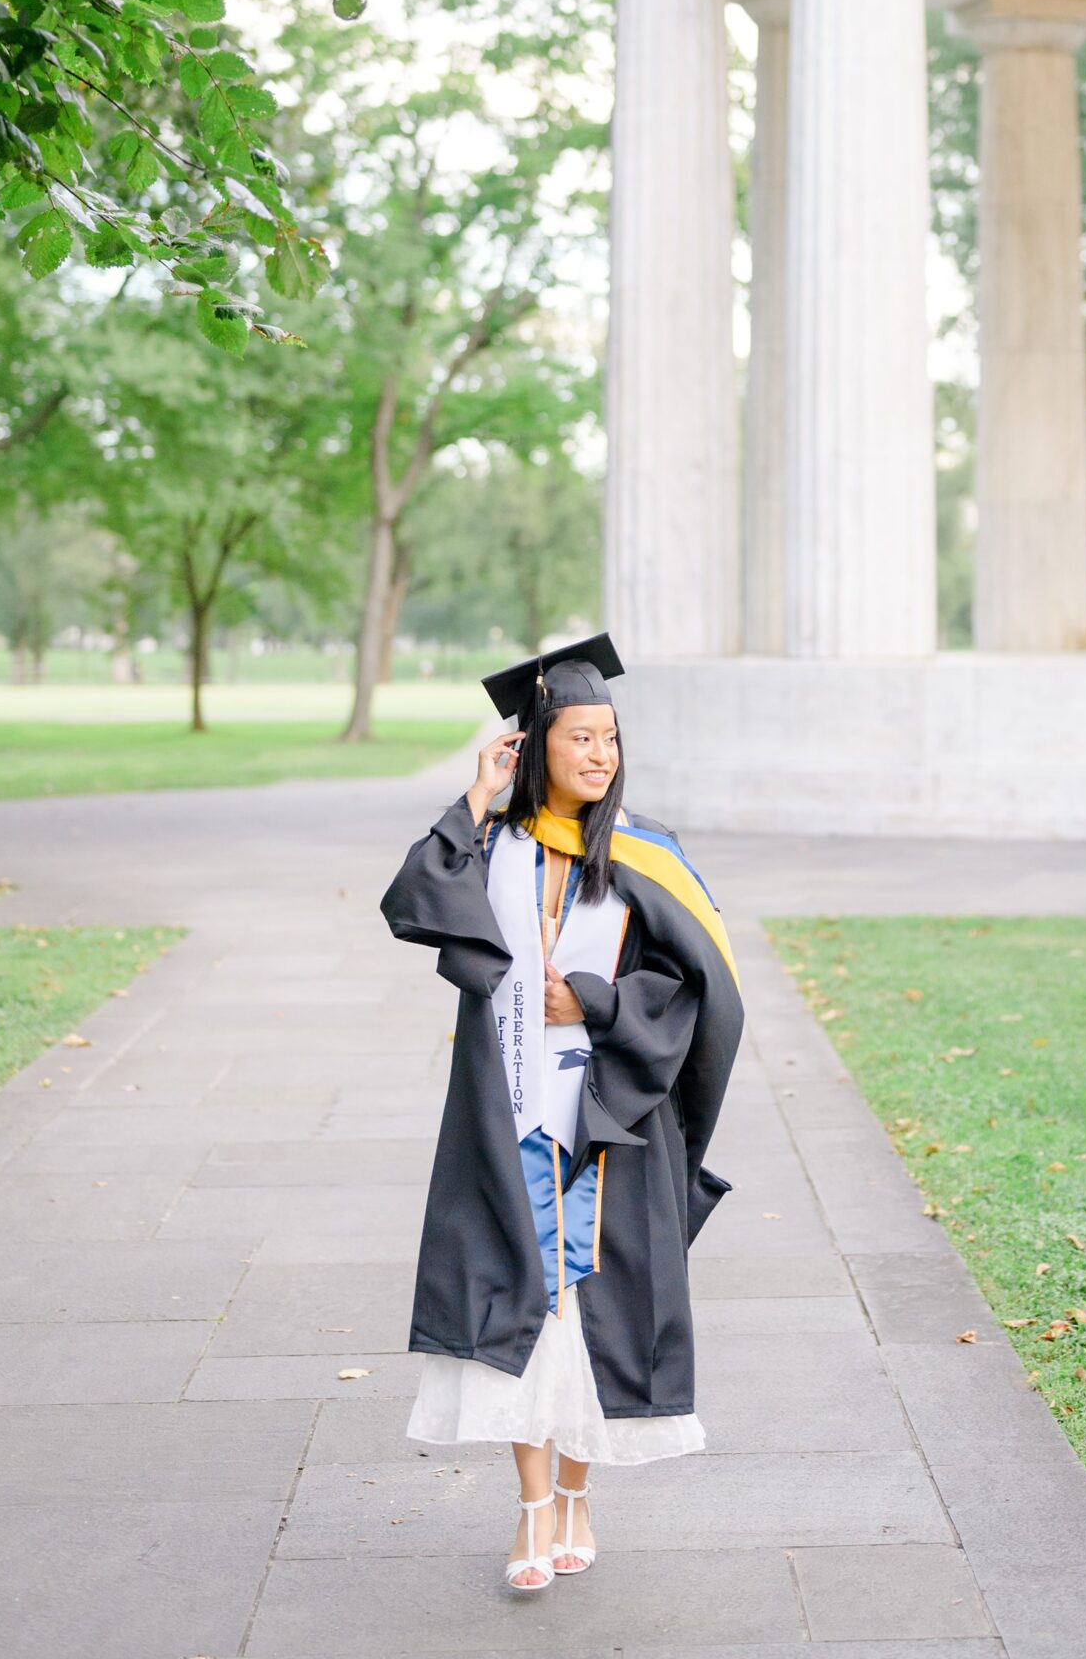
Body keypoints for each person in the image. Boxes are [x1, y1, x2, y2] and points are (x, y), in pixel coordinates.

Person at [380, 634, 743, 1594]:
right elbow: (413, 900)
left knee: (592, 1310)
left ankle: (578, 1498)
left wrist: (597, 1002)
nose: (598, 757)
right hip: (505, 1119)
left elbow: (700, 990)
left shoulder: (641, 855)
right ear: (537, 743)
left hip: (604, 1125)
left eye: (609, 741)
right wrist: (474, 798)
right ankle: (534, 1508)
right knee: (519, 1308)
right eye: (578, 738)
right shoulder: (491, 845)